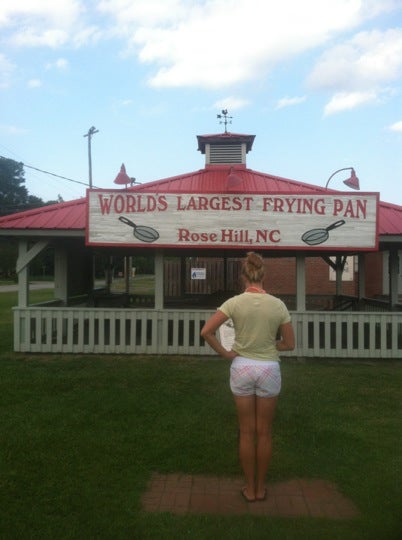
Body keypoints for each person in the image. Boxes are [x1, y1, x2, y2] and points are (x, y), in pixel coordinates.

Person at [200, 251, 295, 503]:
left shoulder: (233, 303)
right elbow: (290, 344)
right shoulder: (278, 305)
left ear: (244, 277)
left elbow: (206, 331)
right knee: (264, 432)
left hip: (241, 367)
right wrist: (271, 346)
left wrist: (226, 354)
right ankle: (260, 489)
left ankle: (248, 489)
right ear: (264, 275)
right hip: (268, 370)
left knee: (246, 432)